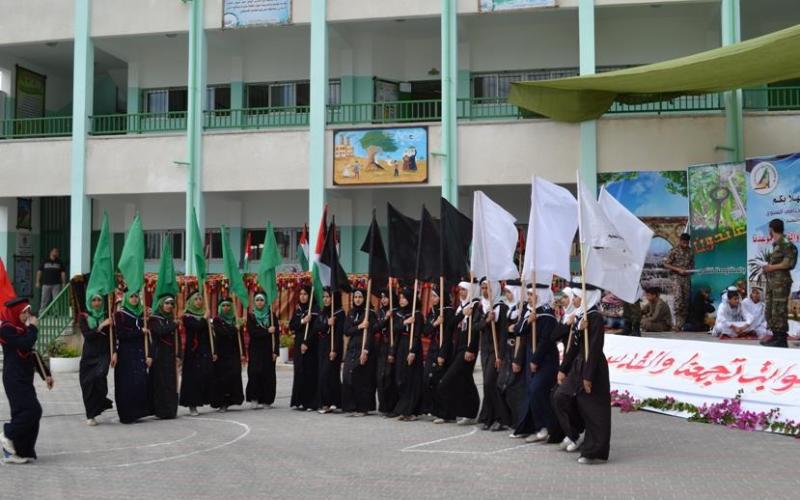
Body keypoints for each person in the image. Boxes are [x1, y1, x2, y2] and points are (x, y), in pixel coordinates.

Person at [553, 285, 611, 465]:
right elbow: (574, 348)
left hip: (592, 368)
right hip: (578, 365)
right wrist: (563, 369)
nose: (575, 300)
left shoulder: (595, 318)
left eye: (578, 297)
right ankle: (575, 433)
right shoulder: (581, 316)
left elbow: (594, 348)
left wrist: (588, 376)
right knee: (560, 396)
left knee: (593, 409)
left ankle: (595, 451)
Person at [1, 298, 53, 464]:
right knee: (32, 411)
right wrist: (33, 328)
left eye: (28, 311)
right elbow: (24, 344)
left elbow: (32, 352)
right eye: (24, 312)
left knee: (24, 412)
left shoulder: (23, 329)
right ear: (16, 312)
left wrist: (46, 374)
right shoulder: (6, 329)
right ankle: (7, 434)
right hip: (14, 378)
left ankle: (19, 451)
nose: (27, 315)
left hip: (24, 378)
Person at [516, 284, 560, 443]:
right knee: (532, 392)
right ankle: (538, 426)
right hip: (531, 356)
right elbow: (517, 330)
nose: (529, 297)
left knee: (537, 390)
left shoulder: (548, 315)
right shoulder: (530, 312)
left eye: (532, 294)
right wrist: (528, 321)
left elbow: (546, 340)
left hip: (546, 360)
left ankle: (546, 427)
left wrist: (536, 360)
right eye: (528, 294)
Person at [436, 281, 481, 425]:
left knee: (448, 381)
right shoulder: (461, 308)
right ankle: (466, 412)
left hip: (467, 349)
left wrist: (471, 349)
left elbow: (475, 331)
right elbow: (450, 325)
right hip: (458, 347)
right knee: (465, 381)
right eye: (460, 290)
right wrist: (462, 314)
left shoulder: (476, 306)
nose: (462, 293)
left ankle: (466, 411)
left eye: (465, 290)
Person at [112, 291, 153, 424]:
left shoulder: (142, 314)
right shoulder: (120, 315)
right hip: (125, 354)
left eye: (136, 296)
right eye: (131, 296)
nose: (134, 299)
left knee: (139, 382)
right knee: (126, 384)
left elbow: (148, 337)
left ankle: (137, 413)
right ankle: (126, 415)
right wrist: (139, 331)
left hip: (139, 353)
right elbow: (121, 334)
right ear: (126, 299)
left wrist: (149, 355)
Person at [477, 278, 511, 432]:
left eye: (488, 288)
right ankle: (489, 417)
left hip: (496, 351)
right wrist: (486, 320)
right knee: (487, 384)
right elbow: (475, 326)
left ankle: (501, 418)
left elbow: (504, 334)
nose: (485, 291)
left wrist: (501, 356)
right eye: (483, 288)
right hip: (485, 349)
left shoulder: (501, 308)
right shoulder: (481, 307)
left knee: (491, 382)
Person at [761, 218, 798, 348]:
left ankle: (781, 338)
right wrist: (767, 267)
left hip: (781, 283)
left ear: (771, 229)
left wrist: (771, 268)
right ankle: (775, 335)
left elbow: (789, 263)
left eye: (769, 230)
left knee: (779, 309)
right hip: (773, 282)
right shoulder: (776, 244)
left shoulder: (785, 243)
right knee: (772, 308)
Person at [78, 294, 113, 426]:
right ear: (89, 302)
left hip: (103, 353)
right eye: (94, 300)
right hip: (89, 354)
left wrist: (114, 353)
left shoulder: (108, 314)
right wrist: (101, 326)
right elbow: (87, 335)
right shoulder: (84, 317)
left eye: (99, 300)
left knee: (100, 376)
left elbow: (112, 336)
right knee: (87, 383)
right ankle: (91, 414)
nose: (97, 303)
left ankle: (101, 401)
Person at [497, 281, 526, 437]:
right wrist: (500, 355)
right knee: (501, 384)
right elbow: (503, 333)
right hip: (507, 350)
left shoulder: (522, 309)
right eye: (506, 292)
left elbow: (522, 330)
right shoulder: (507, 309)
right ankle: (507, 419)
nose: (507, 295)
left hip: (517, 350)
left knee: (513, 387)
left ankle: (517, 421)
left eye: (510, 292)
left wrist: (514, 328)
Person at [342, 288, 377, 416]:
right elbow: (346, 330)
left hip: (364, 348)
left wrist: (365, 351)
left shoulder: (370, 313)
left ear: (365, 299)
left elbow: (370, 334)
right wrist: (359, 326)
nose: (357, 299)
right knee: (347, 376)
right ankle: (350, 406)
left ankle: (363, 408)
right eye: (356, 297)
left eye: (360, 297)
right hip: (352, 348)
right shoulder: (351, 312)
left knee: (361, 379)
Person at [180, 291, 215, 416]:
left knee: (205, 375)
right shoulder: (187, 317)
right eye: (196, 299)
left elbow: (210, 335)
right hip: (192, 353)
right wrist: (205, 319)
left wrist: (213, 350)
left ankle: (205, 400)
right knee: (192, 379)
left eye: (201, 299)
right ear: (190, 302)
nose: (199, 301)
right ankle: (192, 405)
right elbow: (196, 326)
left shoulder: (205, 315)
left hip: (204, 351)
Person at [392, 287, 424, 421]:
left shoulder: (417, 314)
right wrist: (405, 322)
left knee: (411, 379)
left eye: (404, 298)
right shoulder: (400, 314)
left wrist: (412, 352)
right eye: (400, 298)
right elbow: (394, 328)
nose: (402, 300)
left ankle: (411, 411)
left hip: (412, 347)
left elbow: (417, 335)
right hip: (401, 346)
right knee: (401, 378)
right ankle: (403, 407)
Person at [148, 293, 182, 419]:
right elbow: (160, 332)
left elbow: (177, 339)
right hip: (160, 355)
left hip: (171, 355)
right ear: (161, 304)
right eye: (166, 303)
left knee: (171, 383)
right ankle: (161, 411)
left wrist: (179, 355)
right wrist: (174, 324)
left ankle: (171, 411)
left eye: (171, 304)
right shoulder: (154, 319)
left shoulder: (172, 319)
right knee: (161, 383)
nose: (169, 306)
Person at [210, 299, 245, 412]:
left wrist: (243, 353)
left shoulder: (235, 320)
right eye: (223, 305)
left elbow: (240, 339)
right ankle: (222, 403)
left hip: (234, 353)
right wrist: (235, 329)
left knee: (234, 375)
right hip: (221, 354)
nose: (226, 308)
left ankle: (231, 400)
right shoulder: (217, 320)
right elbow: (222, 333)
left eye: (228, 306)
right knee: (222, 378)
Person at [246, 292, 280, 409]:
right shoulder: (251, 316)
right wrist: (267, 331)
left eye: (262, 300)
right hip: (255, 350)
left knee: (268, 374)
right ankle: (254, 398)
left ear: (265, 302)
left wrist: (276, 351)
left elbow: (276, 335)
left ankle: (267, 400)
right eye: (257, 300)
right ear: (254, 302)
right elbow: (253, 332)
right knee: (254, 373)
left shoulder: (271, 316)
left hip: (268, 350)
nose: (259, 302)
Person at [289, 285, 319, 411]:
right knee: (299, 371)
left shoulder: (315, 309)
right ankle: (299, 400)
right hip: (298, 345)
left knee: (310, 372)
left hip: (311, 345)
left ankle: (310, 402)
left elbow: (316, 329)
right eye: (301, 294)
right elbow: (292, 326)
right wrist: (302, 321)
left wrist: (306, 343)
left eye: (305, 294)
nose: (303, 296)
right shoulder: (298, 310)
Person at [317, 288, 344, 414]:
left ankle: (331, 402)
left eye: (328, 296)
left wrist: (335, 349)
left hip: (333, 347)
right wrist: (327, 323)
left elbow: (338, 334)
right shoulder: (323, 312)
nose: (326, 299)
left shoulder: (339, 313)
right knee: (324, 375)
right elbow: (318, 327)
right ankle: (330, 402)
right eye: (324, 297)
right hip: (322, 346)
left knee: (329, 375)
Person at [663, 233, 694, 331]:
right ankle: (676, 322)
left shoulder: (690, 252)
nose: (685, 244)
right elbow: (666, 264)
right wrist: (678, 269)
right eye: (683, 242)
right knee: (678, 298)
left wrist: (690, 270)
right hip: (676, 277)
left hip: (686, 278)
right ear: (680, 241)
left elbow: (692, 265)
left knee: (685, 300)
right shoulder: (674, 251)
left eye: (687, 242)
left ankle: (681, 324)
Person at [374, 290, 398, 415]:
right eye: (382, 297)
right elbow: (375, 327)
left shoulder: (397, 311)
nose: (383, 300)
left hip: (392, 345)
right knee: (380, 376)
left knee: (389, 376)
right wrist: (385, 318)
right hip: (381, 346)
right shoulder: (381, 312)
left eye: (386, 297)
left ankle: (391, 406)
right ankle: (383, 406)